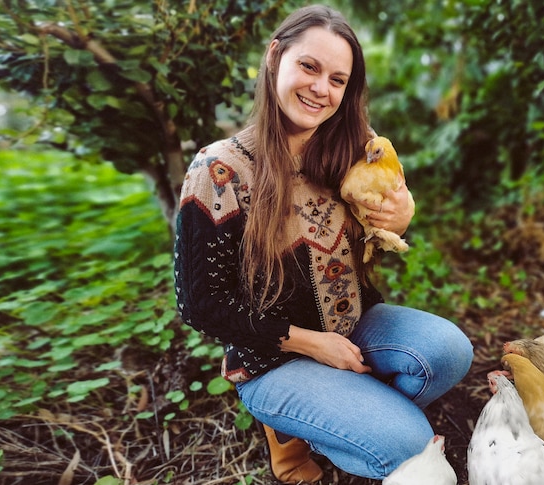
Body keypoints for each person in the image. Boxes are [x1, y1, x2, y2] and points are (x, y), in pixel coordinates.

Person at [172, 4, 473, 483]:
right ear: (275, 57)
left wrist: (403, 213)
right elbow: (200, 304)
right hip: (272, 357)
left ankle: (342, 415)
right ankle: (293, 434)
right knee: (411, 446)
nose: (321, 89)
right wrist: (311, 344)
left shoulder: (354, 147)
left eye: (338, 79)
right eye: (309, 67)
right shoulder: (219, 171)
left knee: (449, 351)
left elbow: (389, 203)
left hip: (354, 324)